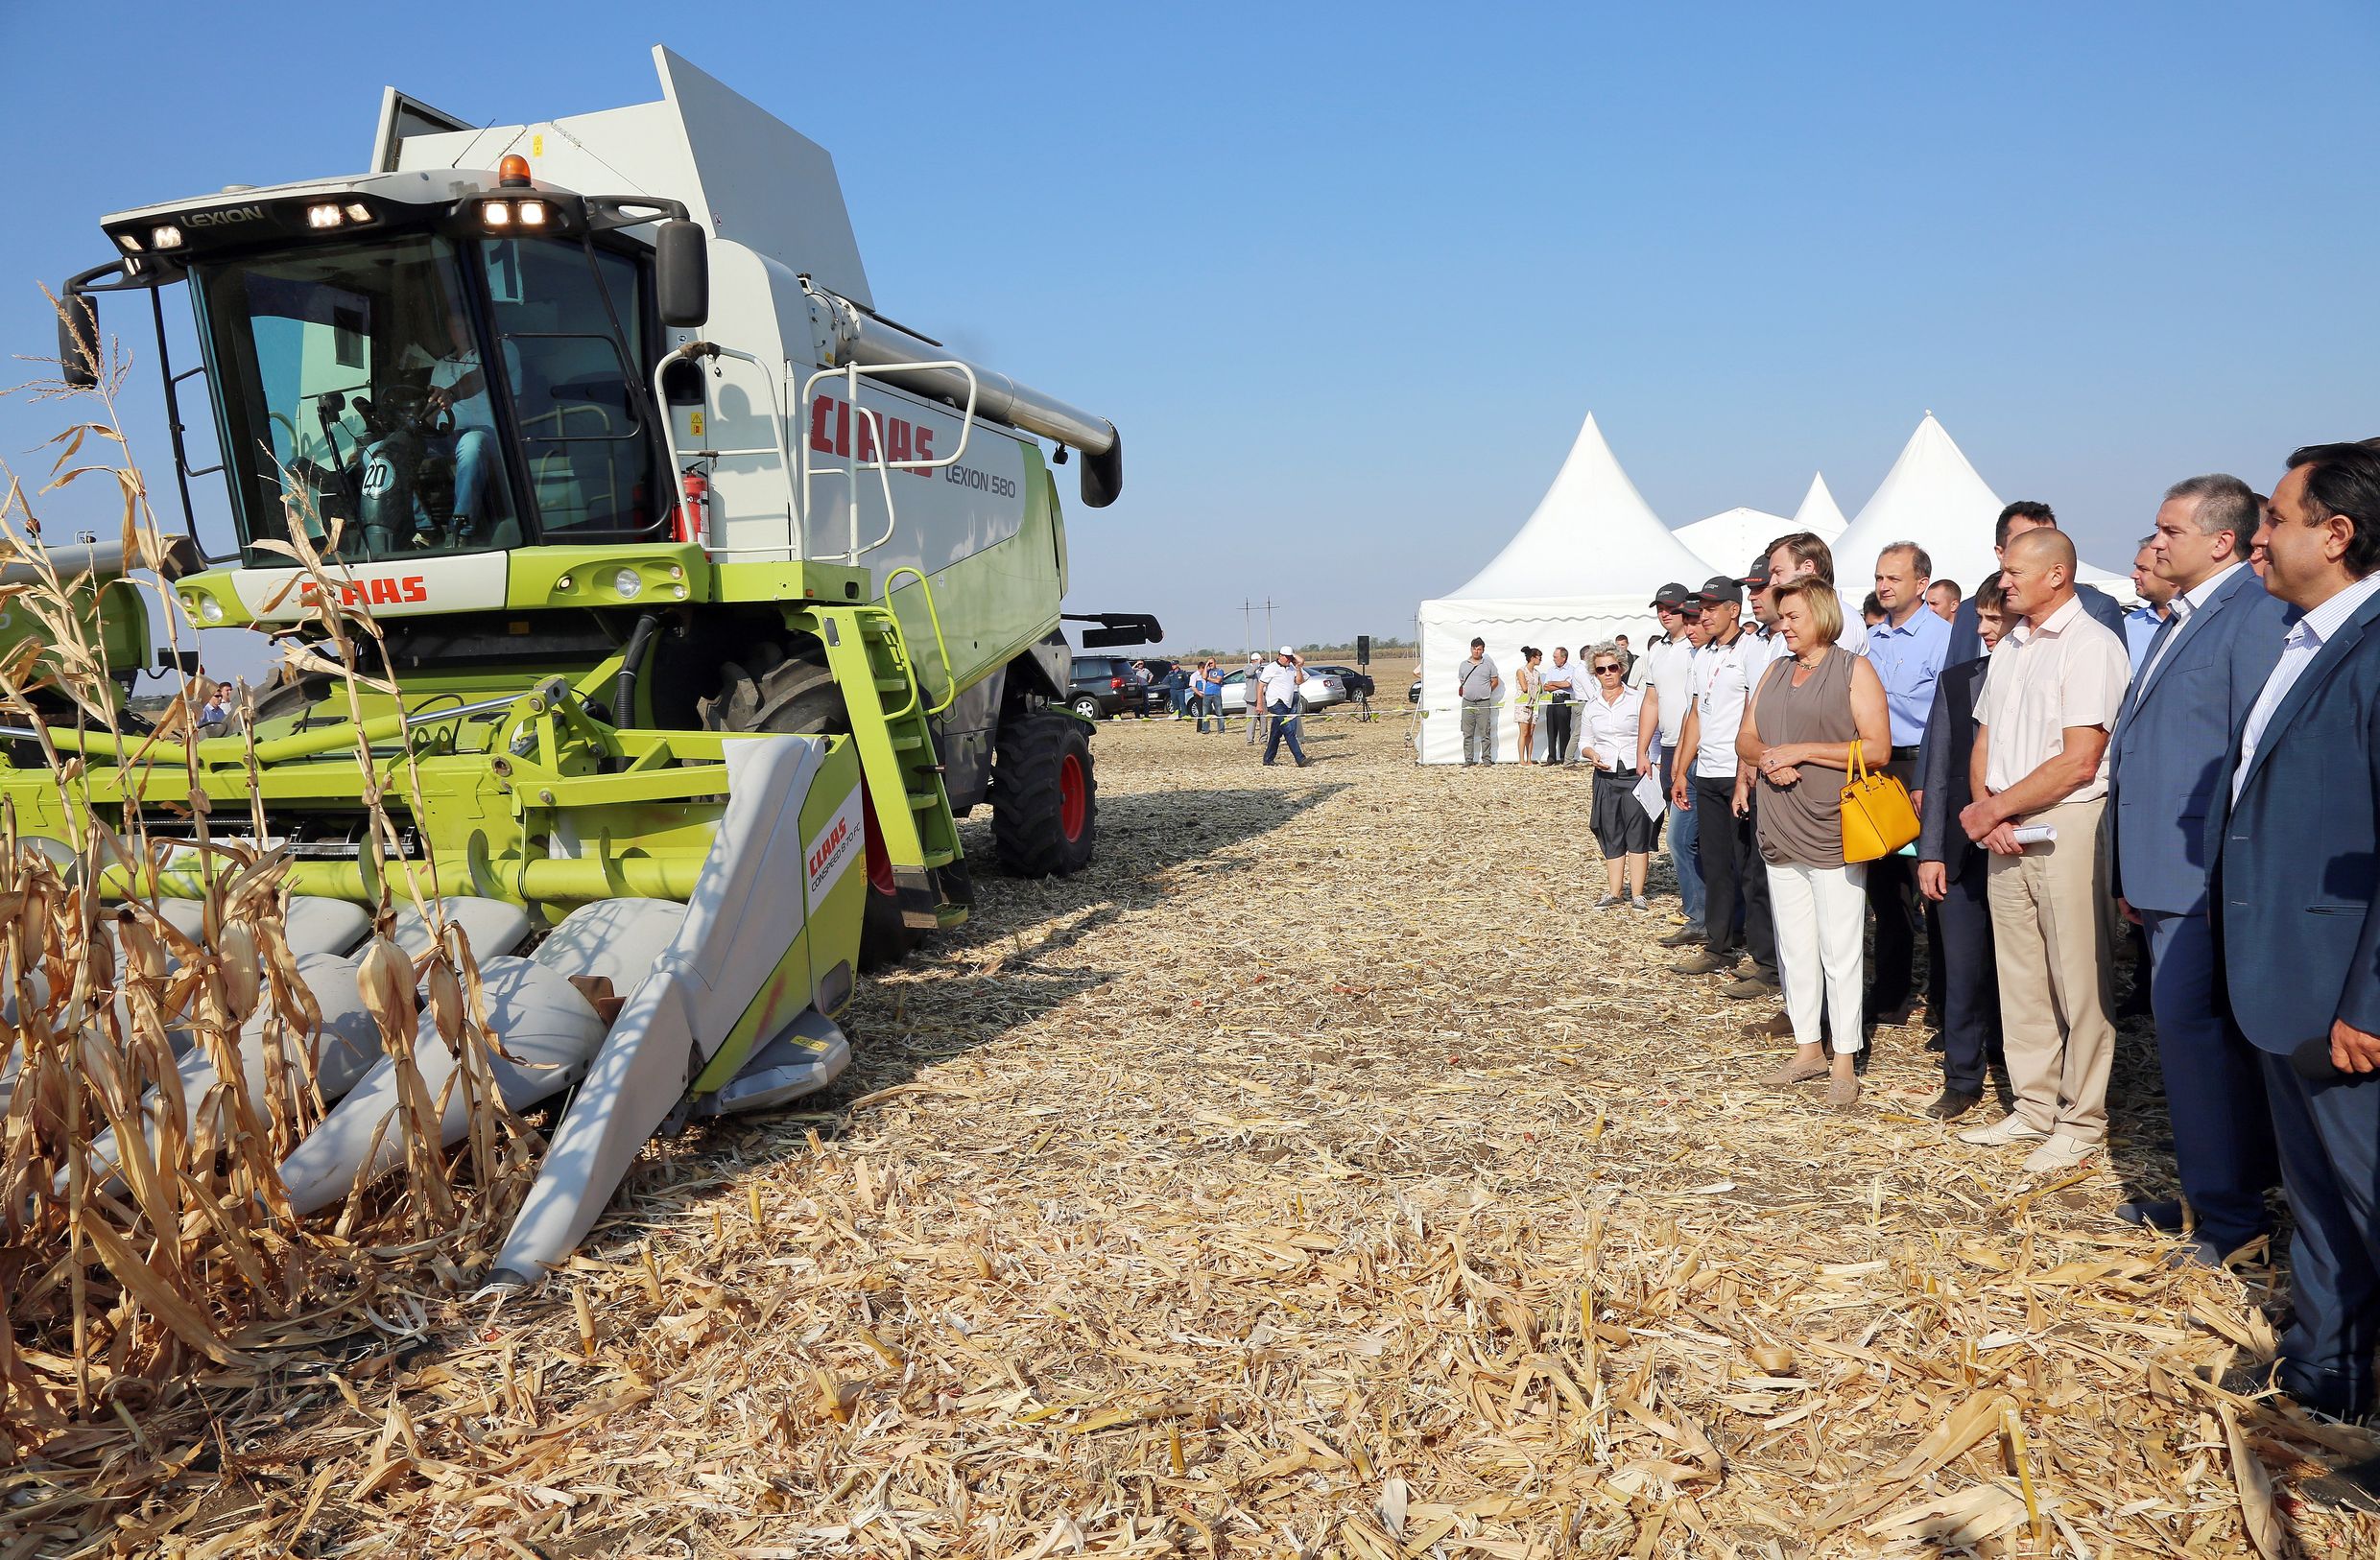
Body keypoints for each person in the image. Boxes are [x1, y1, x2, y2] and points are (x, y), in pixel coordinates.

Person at [2216, 441, 2380, 1421]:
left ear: (2336, 534)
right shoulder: (2301, 638)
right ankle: (2326, 1383)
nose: (2257, 536)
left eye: (2274, 518)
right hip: (2287, 980)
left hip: (2343, 994)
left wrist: (2369, 999)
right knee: (2315, 1201)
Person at [2106, 473, 2285, 1268]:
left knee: (2199, 1048)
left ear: (2220, 540)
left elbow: (2250, 759)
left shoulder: (2251, 617)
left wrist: (2223, 880)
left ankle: (2229, 1218)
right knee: (2200, 1052)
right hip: (2163, 874)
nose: (2156, 542)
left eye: (2169, 529)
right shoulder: (2185, 618)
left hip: (2202, 879)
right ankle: (2217, 1192)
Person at [1956, 528, 2130, 1175]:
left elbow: (2081, 760)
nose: (2004, 582)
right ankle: (2033, 1107)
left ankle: (2081, 1119)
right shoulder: (2012, 647)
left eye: (2014, 571)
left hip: (2065, 822)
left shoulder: (2092, 646)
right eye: (2002, 572)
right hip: (2005, 823)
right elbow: (1985, 742)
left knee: (2077, 979)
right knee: (2022, 976)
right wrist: (1989, 811)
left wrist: (1994, 809)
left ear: (2058, 574)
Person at [1737, 578, 1892, 1106]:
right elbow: (1745, 737)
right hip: (1779, 826)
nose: (1783, 627)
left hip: (1833, 825)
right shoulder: (1774, 670)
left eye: (1794, 617)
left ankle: (1845, 1056)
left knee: (1840, 947)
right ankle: (1808, 1048)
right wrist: (1766, 758)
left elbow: (1876, 748)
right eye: (1781, 618)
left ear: (1822, 615)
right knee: (1795, 945)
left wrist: (1798, 750)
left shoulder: (1854, 669)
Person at [1916, 576, 2008, 1120]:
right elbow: (1938, 770)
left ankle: (2017, 1066)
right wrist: (1931, 851)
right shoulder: (1957, 681)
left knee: (2019, 968)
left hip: (2022, 844)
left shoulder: (2049, 677)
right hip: (1958, 849)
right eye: (1982, 619)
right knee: (1962, 961)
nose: (1985, 629)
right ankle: (1963, 1074)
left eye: (1996, 618)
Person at [1670, 577, 1775, 998]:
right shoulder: (1702, 655)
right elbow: (1695, 713)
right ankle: (1719, 945)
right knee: (1715, 863)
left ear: (1734, 610)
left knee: (1749, 867)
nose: (1705, 615)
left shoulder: (1752, 650)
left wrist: (1742, 774)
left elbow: (1753, 713)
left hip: (1738, 772)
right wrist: (1682, 770)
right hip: (1707, 771)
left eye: (1713, 607)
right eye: (1701, 609)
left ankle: (1763, 957)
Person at [1863, 542, 1950, 1029]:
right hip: (1879, 769)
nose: (1884, 586)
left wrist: (1931, 778)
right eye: (1879, 577)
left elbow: (1948, 713)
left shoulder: (1945, 638)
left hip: (1923, 766)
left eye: (1894, 577)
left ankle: (1942, 997)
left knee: (1935, 887)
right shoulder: (1871, 641)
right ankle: (1892, 993)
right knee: (1887, 886)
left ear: (1922, 584)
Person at [1947, 503, 2129, 665]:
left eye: (2046, 538)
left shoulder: (2096, 608)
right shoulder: (1966, 611)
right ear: (2000, 552)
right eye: (2025, 540)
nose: (2036, 545)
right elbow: (1951, 687)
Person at [1643, 584, 1704, 940]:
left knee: (1682, 837)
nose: (1664, 614)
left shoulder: (1695, 650)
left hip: (1691, 749)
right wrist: (1644, 751)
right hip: (1669, 747)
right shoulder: (1659, 650)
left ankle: (1702, 912)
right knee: (1682, 835)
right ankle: (1697, 905)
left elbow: (1693, 710)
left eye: (1670, 608)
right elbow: (1652, 701)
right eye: (1659, 608)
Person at [1580, 644, 1654, 909]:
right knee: (1610, 831)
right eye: (1601, 669)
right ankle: (1614, 892)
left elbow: (1653, 735)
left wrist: (1650, 762)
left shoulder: (1638, 699)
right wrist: (1591, 754)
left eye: (1612, 667)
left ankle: (1637, 895)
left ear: (1622, 669)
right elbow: (1584, 741)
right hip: (1606, 774)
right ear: (1595, 673)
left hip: (1636, 774)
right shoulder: (1592, 707)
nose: (1608, 673)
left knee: (1637, 832)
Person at [1766, 533, 1868, 653]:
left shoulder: (1839, 618)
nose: (1772, 582)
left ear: (1808, 567)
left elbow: (1831, 669)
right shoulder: (1787, 622)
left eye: (1778, 572)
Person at [2123, 536, 2178, 676]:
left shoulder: (2206, 622)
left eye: (2143, 569)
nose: (2133, 575)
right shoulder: (2127, 625)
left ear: (2171, 575)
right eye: (2136, 567)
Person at [1260, 646, 1310, 767]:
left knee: (1276, 733)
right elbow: (1260, 685)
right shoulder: (1271, 668)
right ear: (1280, 656)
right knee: (1288, 730)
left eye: (1290, 657)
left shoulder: (1293, 667)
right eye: (1286, 657)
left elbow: (1299, 681)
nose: (1288, 660)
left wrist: (1298, 667)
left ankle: (1268, 759)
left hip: (1288, 703)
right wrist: (1259, 704)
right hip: (1275, 703)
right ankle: (1300, 758)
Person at [1456, 638, 1500, 765]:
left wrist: (1486, 691)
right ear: (1471, 649)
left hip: (1483, 702)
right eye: (1474, 648)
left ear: (1483, 650)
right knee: (1467, 732)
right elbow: (1462, 681)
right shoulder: (1463, 665)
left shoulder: (1488, 665)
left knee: (1485, 732)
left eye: (1479, 649)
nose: (1476, 651)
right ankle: (1468, 759)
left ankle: (1487, 759)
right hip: (1467, 702)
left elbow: (1495, 681)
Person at [1538, 646, 1578, 767]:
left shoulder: (1572, 669)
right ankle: (1551, 757)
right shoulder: (1551, 670)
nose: (1554, 659)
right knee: (1551, 729)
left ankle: (1564, 756)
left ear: (1564, 658)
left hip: (1564, 700)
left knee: (1564, 729)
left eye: (1556, 657)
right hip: (1552, 699)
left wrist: (1554, 683)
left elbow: (1568, 684)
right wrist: (1561, 684)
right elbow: (1546, 687)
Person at [1512, 648, 1544, 766]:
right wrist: (1535, 689)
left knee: (1531, 732)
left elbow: (1541, 688)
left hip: (1534, 705)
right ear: (1532, 658)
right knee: (1524, 732)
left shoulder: (1537, 673)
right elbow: (1524, 688)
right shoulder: (1521, 671)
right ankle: (1521, 759)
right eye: (1539, 657)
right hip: (1523, 704)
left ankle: (1529, 758)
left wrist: (1537, 689)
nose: (1540, 659)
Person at [1243, 653, 1267, 745]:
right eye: (1259, 660)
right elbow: (1249, 673)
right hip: (1252, 698)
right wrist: (1257, 664)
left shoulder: (1262, 670)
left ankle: (1263, 738)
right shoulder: (1247, 668)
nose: (1261, 662)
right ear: (1254, 660)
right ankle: (1250, 739)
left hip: (1262, 697)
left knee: (1264, 719)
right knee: (1251, 720)